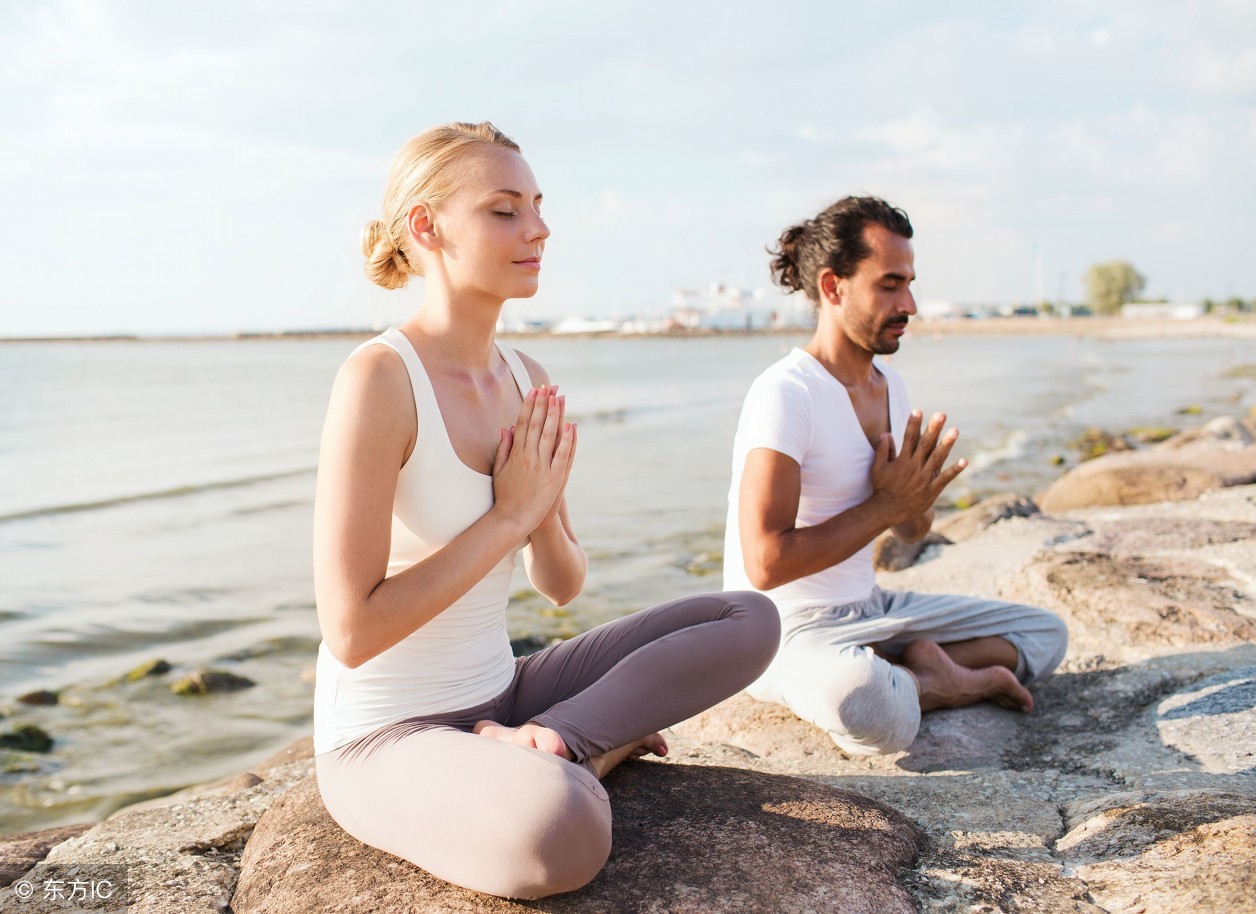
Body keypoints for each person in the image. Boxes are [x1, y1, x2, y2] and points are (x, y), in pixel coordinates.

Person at [311, 122, 779, 900]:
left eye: (536, 206)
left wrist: (543, 511)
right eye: (503, 211)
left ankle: (555, 741)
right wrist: (505, 515)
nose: (538, 229)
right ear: (428, 228)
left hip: (507, 693)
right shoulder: (379, 381)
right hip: (385, 734)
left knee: (750, 621)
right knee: (562, 833)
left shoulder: (525, 376)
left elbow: (560, 585)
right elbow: (351, 631)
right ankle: (588, 756)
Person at [722, 195, 1067, 757]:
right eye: (889, 285)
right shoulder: (785, 393)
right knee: (861, 701)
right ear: (833, 287)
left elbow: (910, 532)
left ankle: (903, 667)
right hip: (781, 630)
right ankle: (939, 681)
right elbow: (765, 563)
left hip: (872, 610)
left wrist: (914, 498)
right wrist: (884, 506)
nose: (908, 303)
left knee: (1046, 634)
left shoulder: (890, 387)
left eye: (909, 283)